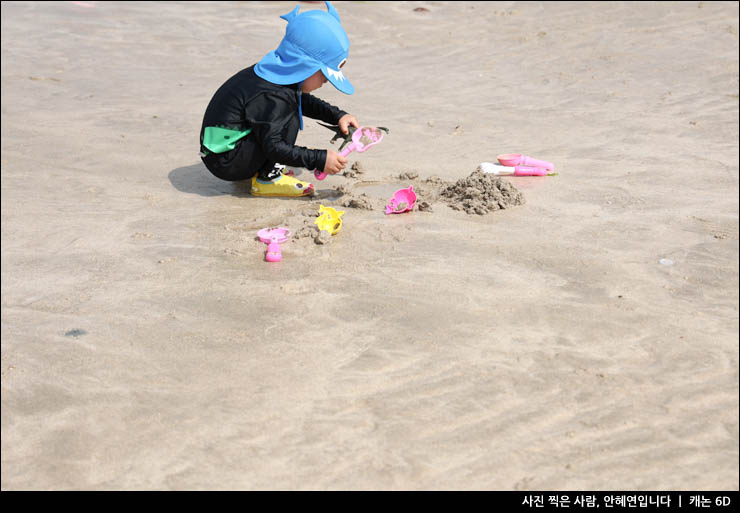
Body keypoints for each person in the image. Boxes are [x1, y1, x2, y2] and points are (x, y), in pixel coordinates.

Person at [199, 1, 359, 197]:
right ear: (305, 64)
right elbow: (274, 147)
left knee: (291, 106)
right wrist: (319, 159)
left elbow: (301, 100)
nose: (326, 81)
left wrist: (337, 116)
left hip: (222, 150)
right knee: (289, 115)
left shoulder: (273, 76)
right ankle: (267, 180)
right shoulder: (274, 96)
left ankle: (263, 169)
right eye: (325, 74)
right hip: (226, 163)